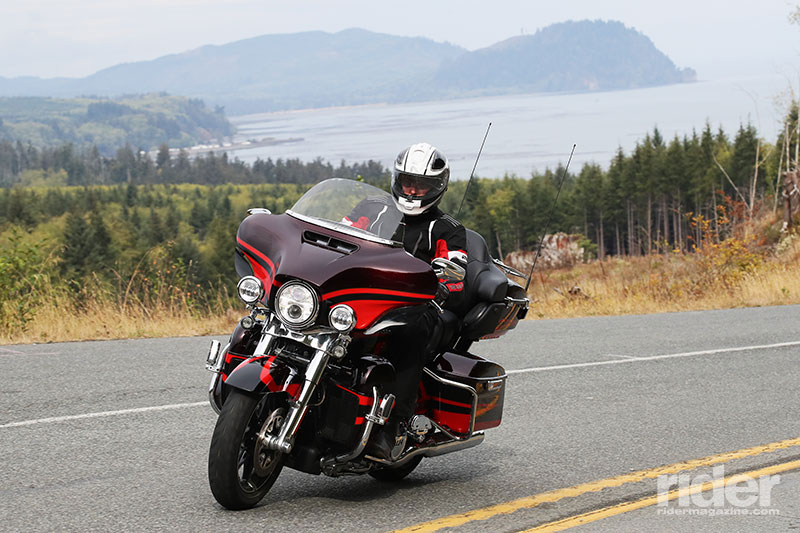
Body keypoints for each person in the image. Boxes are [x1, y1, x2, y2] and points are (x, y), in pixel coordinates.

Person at [367, 142, 469, 460]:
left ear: (436, 187)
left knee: (407, 333)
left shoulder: (448, 230)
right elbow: (340, 234)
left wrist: (448, 277)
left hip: (419, 307)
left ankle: (392, 426)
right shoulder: (373, 211)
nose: (412, 190)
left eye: (421, 184)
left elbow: (456, 269)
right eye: (408, 181)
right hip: (367, 296)